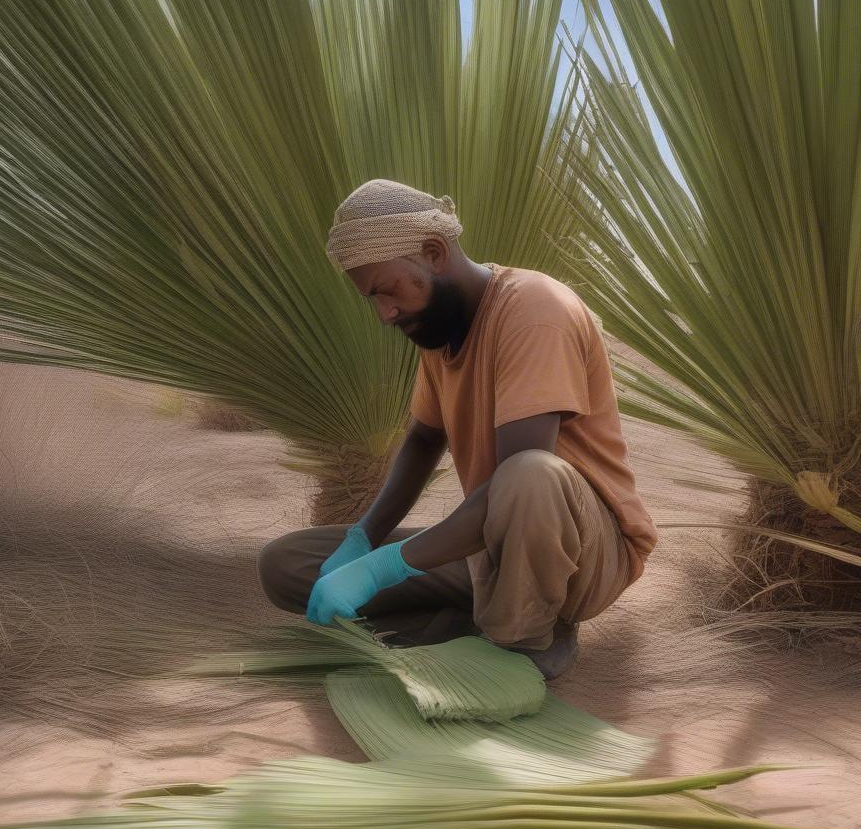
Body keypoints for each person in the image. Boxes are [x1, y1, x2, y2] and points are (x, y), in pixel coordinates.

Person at [257, 179, 657, 679]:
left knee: (528, 475)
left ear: (433, 252)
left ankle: (530, 638)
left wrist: (386, 567)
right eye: (371, 300)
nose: (384, 314)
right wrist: (363, 540)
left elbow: (516, 484)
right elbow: (424, 439)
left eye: (387, 290)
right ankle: (471, 620)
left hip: (582, 551)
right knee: (287, 564)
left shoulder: (535, 311)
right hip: (492, 543)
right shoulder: (438, 330)